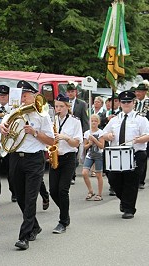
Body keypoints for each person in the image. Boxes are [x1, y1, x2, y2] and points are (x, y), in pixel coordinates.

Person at [0, 80, 54, 250]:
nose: (22, 98)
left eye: (25, 95)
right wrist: (2, 126)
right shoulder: (14, 112)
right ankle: (35, 226)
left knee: (30, 198)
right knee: (21, 197)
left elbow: (51, 140)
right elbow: (4, 127)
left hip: (34, 159)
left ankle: (24, 237)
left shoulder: (42, 115)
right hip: (15, 157)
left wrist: (35, 132)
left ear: (34, 95)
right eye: (21, 95)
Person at [103, 90, 149, 219]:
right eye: (124, 102)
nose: (126, 104)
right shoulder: (115, 119)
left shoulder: (141, 119)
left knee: (131, 181)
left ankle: (129, 208)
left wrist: (140, 139)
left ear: (134, 103)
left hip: (135, 153)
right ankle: (124, 200)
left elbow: (147, 135)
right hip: (117, 153)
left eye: (129, 102)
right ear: (120, 104)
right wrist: (109, 135)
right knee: (113, 178)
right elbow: (104, 133)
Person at [49, 93, 83, 234]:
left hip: (69, 158)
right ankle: (66, 213)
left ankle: (62, 221)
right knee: (53, 191)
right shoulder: (52, 120)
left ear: (67, 107)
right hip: (55, 157)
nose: (58, 109)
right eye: (56, 106)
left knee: (63, 190)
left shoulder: (75, 121)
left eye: (61, 106)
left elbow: (77, 142)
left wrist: (65, 137)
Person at [66, 82, 88, 185]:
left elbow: (85, 120)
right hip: (65, 132)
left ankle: (72, 175)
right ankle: (68, 174)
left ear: (76, 92)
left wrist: (85, 134)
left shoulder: (82, 104)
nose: (70, 93)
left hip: (76, 133)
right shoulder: (64, 102)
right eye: (69, 92)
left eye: (72, 91)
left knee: (74, 155)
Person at [82, 114, 105, 202]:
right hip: (90, 155)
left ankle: (99, 194)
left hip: (98, 155)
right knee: (84, 173)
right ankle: (90, 191)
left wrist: (95, 140)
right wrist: (90, 143)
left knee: (99, 175)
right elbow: (84, 146)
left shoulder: (101, 132)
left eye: (95, 121)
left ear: (98, 122)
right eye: (92, 121)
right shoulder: (87, 133)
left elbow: (102, 146)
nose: (93, 122)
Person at [133, 81, 149, 189]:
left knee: (144, 155)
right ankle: (135, 177)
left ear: (144, 92)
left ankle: (141, 180)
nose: (138, 94)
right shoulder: (134, 103)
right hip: (136, 131)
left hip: (146, 131)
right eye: (137, 91)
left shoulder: (148, 103)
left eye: (140, 91)